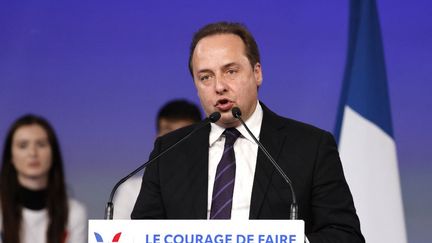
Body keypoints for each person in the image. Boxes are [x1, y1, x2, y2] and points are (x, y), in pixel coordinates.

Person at [132, 22, 365, 242]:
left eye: (230, 71)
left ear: (257, 73)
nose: (219, 86)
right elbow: (141, 234)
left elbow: (345, 235)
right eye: (205, 77)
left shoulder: (310, 146)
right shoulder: (169, 151)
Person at [0, 114, 87, 243]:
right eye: (23, 145)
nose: (33, 153)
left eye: (41, 144)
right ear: (11, 156)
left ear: (53, 153)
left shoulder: (74, 213)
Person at [113, 99, 202, 219]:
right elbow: (117, 236)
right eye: (168, 133)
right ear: (157, 138)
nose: (174, 140)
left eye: (182, 134)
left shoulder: (215, 185)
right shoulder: (130, 189)